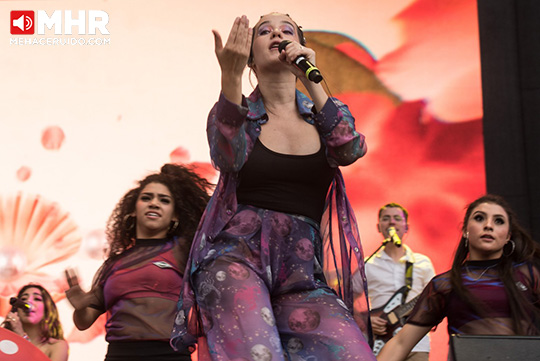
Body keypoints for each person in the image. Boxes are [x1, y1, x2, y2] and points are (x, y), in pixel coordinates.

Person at [170, 12, 374, 361]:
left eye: (287, 30)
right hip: (235, 261)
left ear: (301, 47)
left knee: (353, 355)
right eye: (264, 31)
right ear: (250, 56)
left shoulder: (325, 114)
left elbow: (349, 148)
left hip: (301, 275)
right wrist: (230, 76)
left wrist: (310, 78)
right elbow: (227, 157)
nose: (276, 34)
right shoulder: (239, 112)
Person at [64, 164, 211, 361]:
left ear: (175, 215)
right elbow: (83, 322)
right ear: (133, 210)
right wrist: (80, 306)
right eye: (146, 198)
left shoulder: (185, 249)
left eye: (164, 200)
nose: (154, 203)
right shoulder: (113, 265)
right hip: (119, 356)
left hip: (170, 356)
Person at [377, 194, 540, 361]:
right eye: (479, 218)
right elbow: (401, 343)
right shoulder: (445, 284)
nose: (489, 225)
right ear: (465, 230)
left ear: (508, 236)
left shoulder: (528, 274)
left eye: (498, 221)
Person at [359, 203, 435, 360]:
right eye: (386, 218)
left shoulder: (422, 263)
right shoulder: (367, 265)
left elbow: (435, 299)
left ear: (406, 227)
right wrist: (366, 321)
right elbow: (346, 301)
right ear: (379, 227)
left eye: (397, 218)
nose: (392, 222)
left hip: (416, 344)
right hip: (379, 344)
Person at [2, 283, 69, 361]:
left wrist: (22, 338)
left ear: (47, 309)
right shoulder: (4, 341)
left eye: (37, 299)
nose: (29, 302)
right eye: (23, 299)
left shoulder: (57, 346)